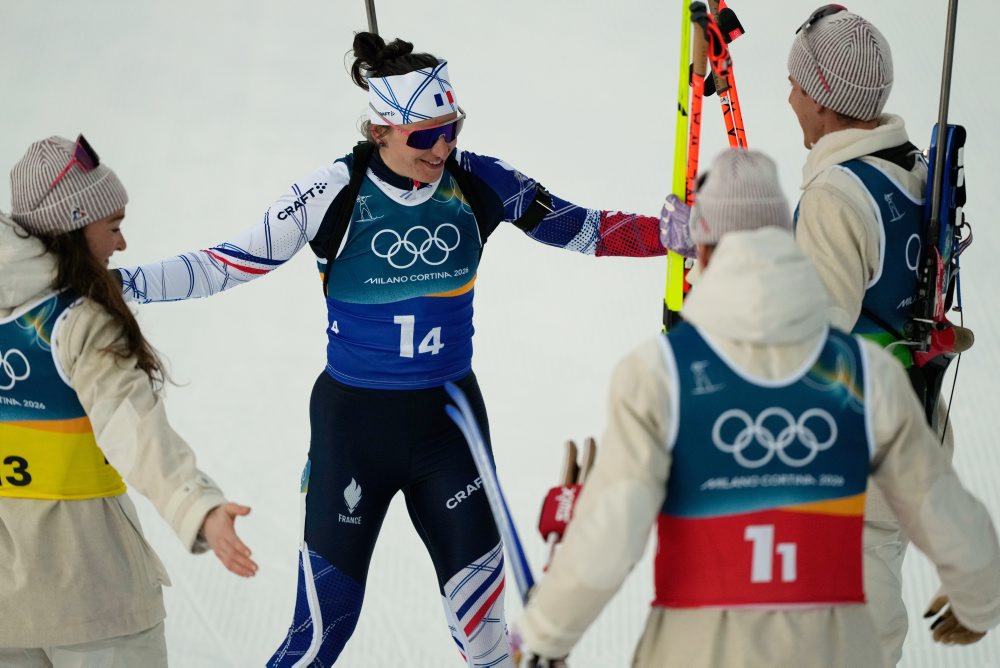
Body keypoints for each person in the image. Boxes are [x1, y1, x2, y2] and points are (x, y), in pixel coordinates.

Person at [113, 32, 689, 667]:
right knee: (321, 636)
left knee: (486, 639)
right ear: (380, 130)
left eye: (452, 129)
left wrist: (667, 234)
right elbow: (225, 263)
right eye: (424, 136)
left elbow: (578, 227)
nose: (441, 148)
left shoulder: (478, 181)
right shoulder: (333, 192)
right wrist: (117, 285)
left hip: (450, 426)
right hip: (354, 428)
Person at [514, 149, 1000, 667]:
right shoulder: (868, 373)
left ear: (701, 250)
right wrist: (980, 598)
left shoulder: (658, 374)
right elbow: (938, 502)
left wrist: (544, 636)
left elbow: (611, 533)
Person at [0, 135, 257, 667]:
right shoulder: (77, 323)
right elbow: (135, 432)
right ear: (73, 227)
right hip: (94, 598)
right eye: (112, 226)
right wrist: (198, 507)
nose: (121, 244)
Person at [786, 7, 961, 664]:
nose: (789, 98)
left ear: (823, 97)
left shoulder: (834, 197)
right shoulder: (909, 168)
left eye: (797, 84)